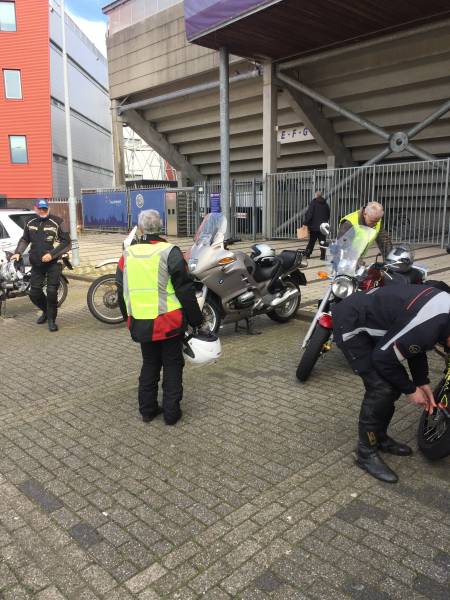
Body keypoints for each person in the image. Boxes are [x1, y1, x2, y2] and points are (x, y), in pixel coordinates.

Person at [332, 282, 450, 483]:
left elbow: (416, 346)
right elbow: (383, 358)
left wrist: (422, 381)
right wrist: (411, 390)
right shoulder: (430, 323)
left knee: (392, 385)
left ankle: (379, 437)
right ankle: (365, 451)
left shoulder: (441, 317)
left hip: (374, 319)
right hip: (351, 322)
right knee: (381, 388)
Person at [116, 209, 203, 426]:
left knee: (150, 364)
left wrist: (127, 318)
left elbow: (120, 290)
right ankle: (171, 414)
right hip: (168, 321)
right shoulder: (170, 252)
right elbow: (185, 290)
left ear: (141, 228)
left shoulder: (127, 255)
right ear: (160, 227)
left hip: (140, 322)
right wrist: (196, 319)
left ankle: (147, 411)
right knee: (172, 364)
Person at [10, 199, 71, 332]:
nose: (43, 211)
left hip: (53, 263)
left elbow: (66, 242)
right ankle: (46, 311)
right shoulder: (30, 222)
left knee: (51, 292)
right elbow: (25, 239)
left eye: (45, 208)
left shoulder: (58, 221)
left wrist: (52, 254)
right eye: (40, 209)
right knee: (34, 293)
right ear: (35, 208)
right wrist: (18, 253)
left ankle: (51, 320)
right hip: (37, 263)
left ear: (48, 208)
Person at [302, 191, 330, 260]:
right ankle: (323, 256)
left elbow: (309, 214)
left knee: (312, 241)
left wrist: (305, 223)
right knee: (322, 241)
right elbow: (328, 214)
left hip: (314, 227)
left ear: (316, 195)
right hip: (323, 226)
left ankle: (307, 254)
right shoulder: (326, 204)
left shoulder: (313, 203)